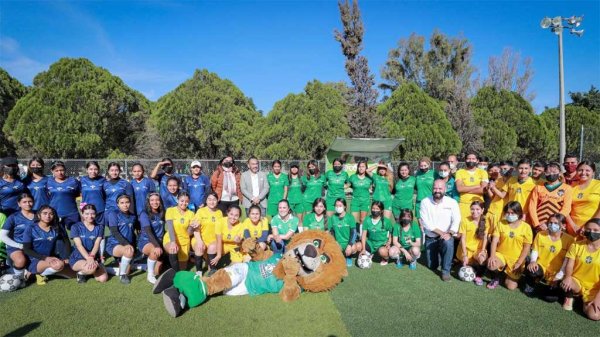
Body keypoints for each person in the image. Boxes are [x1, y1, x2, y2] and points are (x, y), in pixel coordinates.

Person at [524, 213, 573, 300]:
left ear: (563, 225)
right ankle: (532, 283)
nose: (552, 225)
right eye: (550, 222)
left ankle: (550, 287)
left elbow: (568, 260)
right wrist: (532, 261)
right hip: (541, 266)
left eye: (555, 223)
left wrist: (559, 275)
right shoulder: (540, 234)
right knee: (532, 271)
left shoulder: (570, 240)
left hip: (557, 271)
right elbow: (535, 250)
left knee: (550, 298)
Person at [420, 180, 461, 281]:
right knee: (432, 266)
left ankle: (445, 271)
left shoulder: (452, 202)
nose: (437, 190)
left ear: (445, 189)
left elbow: (457, 219)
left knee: (448, 242)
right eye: (435, 188)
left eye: (440, 188)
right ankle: (441, 254)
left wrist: (450, 233)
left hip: (446, 236)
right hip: (431, 238)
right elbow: (426, 223)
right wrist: (442, 233)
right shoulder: (425, 202)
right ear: (432, 188)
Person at [487, 201, 533, 290]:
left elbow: (527, 247)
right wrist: (492, 256)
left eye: (512, 213)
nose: (509, 215)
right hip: (501, 255)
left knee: (511, 287)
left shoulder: (526, 227)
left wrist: (519, 263)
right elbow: (494, 241)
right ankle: (496, 277)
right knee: (491, 265)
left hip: (516, 259)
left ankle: (511, 275)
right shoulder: (501, 223)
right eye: (507, 212)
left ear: (519, 213)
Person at [561, 218, 600, 320]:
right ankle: (571, 296)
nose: (591, 232)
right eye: (589, 229)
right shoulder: (576, 245)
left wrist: (597, 299)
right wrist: (568, 277)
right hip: (577, 282)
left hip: (595, 289)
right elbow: (569, 265)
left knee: (594, 316)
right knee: (567, 282)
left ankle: (582, 301)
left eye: (596, 230)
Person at [22, 206, 71, 285]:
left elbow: (67, 242)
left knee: (73, 274)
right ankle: (35, 272)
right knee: (59, 265)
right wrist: (45, 258)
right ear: (38, 215)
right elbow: (26, 249)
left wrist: (67, 257)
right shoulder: (31, 228)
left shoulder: (57, 226)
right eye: (45, 213)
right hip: (35, 259)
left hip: (53, 257)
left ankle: (48, 272)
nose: (48, 216)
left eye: (51, 214)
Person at [528, 162, 573, 232]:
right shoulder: (538, 187)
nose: (551, 174)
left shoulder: (567, 188)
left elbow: (566, 208)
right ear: (544, 173)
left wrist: (555, 222)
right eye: (548, 172)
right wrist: (536, 224)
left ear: (559, 173)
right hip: (539, 225)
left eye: (554, 171)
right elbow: (532, 206)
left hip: (556, 225)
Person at [0, 193, 36, 279]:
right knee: (20, 261)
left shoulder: (39, 215)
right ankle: (18, 278)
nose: (28, 204)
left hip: (35, 245)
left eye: (30, 201)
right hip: (18, 246)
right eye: (24, 202)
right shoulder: (13, 217)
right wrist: (19, 245)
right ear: (19, 204)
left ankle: (29, 270)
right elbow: (3, 236)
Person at [69, 204, 107, 284]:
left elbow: (97, 244)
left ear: (95, 214)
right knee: (91, 268)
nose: (90, 216)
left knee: (103, 279)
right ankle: (81, 273)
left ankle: (86, 271)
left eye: (92, 213)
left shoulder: (100, 227)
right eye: (87, 214)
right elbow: (79, 245)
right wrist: (88, 258)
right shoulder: (75, 227)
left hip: (93, 256)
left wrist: (92, 256)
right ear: (82, 214)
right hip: (78, 257)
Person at [105, 194, 137, 284]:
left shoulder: (132, 216)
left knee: (128, 268)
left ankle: (105, 269)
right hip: (114, 244)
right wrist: (127, 244)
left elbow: (132, 233)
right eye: (122, 203)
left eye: (127, 202)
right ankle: (123, 275)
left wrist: (134, 247)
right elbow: (114, 232)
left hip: (127, 245)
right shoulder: (113, 214)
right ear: (118, 204)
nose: (125, 205)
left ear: (130, 203)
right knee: (128, 251)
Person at [163, 191, 198, 273]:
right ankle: (175, 275)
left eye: (186, 201)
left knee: (183, 268)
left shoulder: (191, 214)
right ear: (177, 200)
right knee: (173, 249)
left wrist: (192, 226)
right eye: (182, 201)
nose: (184, 203)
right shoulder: (170, 210)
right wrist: (172, 242)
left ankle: (175, 267)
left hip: (184, 241)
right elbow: (170, 228)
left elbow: (189, 233)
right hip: (171, 238)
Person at [457, 201, 488, 286]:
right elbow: (462, 239)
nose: (475, 211)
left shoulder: (486, 221)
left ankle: (478, 276)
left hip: (477, 250)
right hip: (465, 249)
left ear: (482, 210)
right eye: (472, 209)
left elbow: (485, 238)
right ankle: (466, 263)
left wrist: (482, 251)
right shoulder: (465, 221)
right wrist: (465, 255)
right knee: (465, 264)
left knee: (482, 259)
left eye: (477, 209)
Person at [192, 192, 223, 276]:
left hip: (213, 240)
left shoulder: (219, 212)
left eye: (214, 200)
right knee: (199, 248)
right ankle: (199, 272)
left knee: (212, 248)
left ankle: (212, 270)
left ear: (217, 201)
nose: (212, 202)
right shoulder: (200, 211)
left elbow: (220, 229)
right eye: (209, 199)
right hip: (200, 238)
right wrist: (199, 241)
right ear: (206, 200)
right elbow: (195, 228)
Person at [137, 192, 165, 284]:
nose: (155, 202)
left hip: (159, 241)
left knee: (158, 270)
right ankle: (150, 276)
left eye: (157, 200)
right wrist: (157, 246)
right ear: (148, 202)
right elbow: (149, 232)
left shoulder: (162, 212)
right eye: (152, 200)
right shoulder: (144, 213)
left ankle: (142, 265)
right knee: (155, 251)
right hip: (146, 241)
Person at [567, 161, 600, 236]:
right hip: (573, 228)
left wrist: (589, 225)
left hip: (593, 228)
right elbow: (565, 208)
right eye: (580, 170)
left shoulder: (598, 185)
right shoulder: (571, 187)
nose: (583, 173)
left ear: (593, 172)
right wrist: (573, 225)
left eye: (587, 170)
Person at [455, 153, 489, 225]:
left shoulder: (483, 172)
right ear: (465, 160)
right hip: (464, 204)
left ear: (477, 161)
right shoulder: (459, 172)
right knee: (464, 227)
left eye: (473, 159)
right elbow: (459, 189)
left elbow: (483, 190)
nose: (471, 160)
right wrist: (477, 186)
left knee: (478, 228)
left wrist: (466, 189)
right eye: (469, 159)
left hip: (478, 205)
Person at [47, 160, 81, 230]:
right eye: (57, 171)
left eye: (61, 170)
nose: (60, 172)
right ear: (52, 171)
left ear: (65, 170)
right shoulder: (48, 181)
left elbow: (80, 194)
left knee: (76, 235)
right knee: (58, 237)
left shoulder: (73, 181)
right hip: (55, 214)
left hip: (72, 213)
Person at [360, 201, 393, 266]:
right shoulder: (367, 219)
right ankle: (369, 252)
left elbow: (391, 232)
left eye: (377, 209)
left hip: (381, 243)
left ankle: (385, 258)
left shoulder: (386, 221)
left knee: (382, 251)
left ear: (381, 210)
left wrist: (389, 241)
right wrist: (363, 249)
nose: (375, 210)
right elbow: (363, 235)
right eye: (373, 208)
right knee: (358, 246)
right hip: (370, 243)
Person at [329, 198, 359, 267]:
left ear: (345, 206)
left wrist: (350, 244)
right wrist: (334, 241)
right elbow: (331, 231)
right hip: (338, 242)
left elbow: (354, 232)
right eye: (336, 206)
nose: (338, 207)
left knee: (354, 248)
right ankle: (341, 256)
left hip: (347, 242)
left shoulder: (350, 217)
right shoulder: (333, 217)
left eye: (340, 205)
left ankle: (349, 257)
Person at [80, 161, 106, 225]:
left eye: (95, 169)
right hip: (86, 211)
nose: (93, 171)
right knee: (87, 231)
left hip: (100, 210)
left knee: (100, 231)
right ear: (87, 170)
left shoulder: (103, 180)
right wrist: (82, 208)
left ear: (98, 170)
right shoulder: (82, 180)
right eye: (91, 169)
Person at [485, 163, 507, 232]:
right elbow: (493, 197)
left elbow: (502, 195)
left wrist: (493, 187)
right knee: (487, 232)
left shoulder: (504, 180)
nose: (493, 172)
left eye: (495, 170)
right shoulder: (493, 181)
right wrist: (488, 189)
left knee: (496, 232)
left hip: (499, 211)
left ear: (499, 169)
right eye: (491, 170)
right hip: (492, 209)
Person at [415, 157, 435, 223]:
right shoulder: (417, 174)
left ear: (429, 165)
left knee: (430, 223)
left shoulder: (434, 173)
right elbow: (415, 186)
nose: (423, 167)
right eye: (421, 166)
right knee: (420, 224)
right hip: (419, 202)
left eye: (425, 165)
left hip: (430, 201)